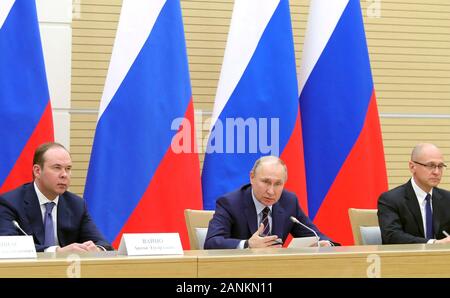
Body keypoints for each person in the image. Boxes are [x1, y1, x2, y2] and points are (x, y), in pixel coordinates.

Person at [204, 156, 337, 249]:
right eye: (266, 182)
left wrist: (326, 244)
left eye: (278, 184)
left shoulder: (289, 201)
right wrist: (247, 245)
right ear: (252, 177)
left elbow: (313, 235)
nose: (271, 191)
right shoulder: (230, 203)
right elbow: (211, 242)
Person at [0, 142, 113, 252]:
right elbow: (7, 247)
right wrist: (56, 251)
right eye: (57, 168)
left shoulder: (76, 205)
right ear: (37, 171)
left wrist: (96, 249)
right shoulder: (10, 203)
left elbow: (103, 244)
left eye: (68, 168)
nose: (64, 174)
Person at [378, 143, 450, 244]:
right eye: (431, 166)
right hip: (406, 258)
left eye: (440, 166)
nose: (437, 172)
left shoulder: (447, 199)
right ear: (412, 167)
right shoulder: (390, 200)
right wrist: (433, 243)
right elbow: (392, 236)